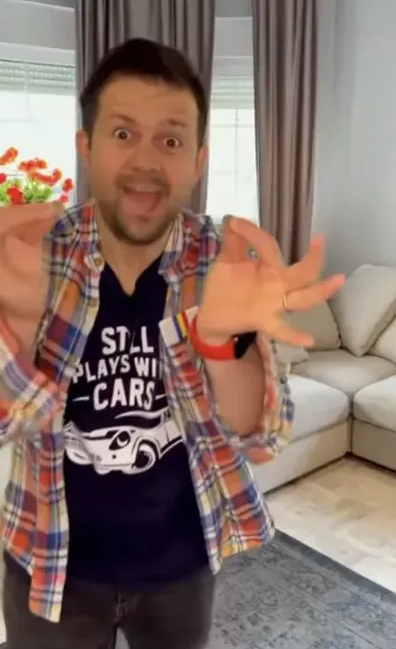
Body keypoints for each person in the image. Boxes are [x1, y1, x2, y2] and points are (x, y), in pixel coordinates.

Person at [0, 38, 344, 649]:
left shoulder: (220, 262)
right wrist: (19, 324)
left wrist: (221, 342)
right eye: (123, 133)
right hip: (48, 558)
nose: (146, 162)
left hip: (180, 569)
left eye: (171, 140)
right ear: (87, 146)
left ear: (198, 160)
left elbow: (262, 436)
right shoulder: (33, 256)